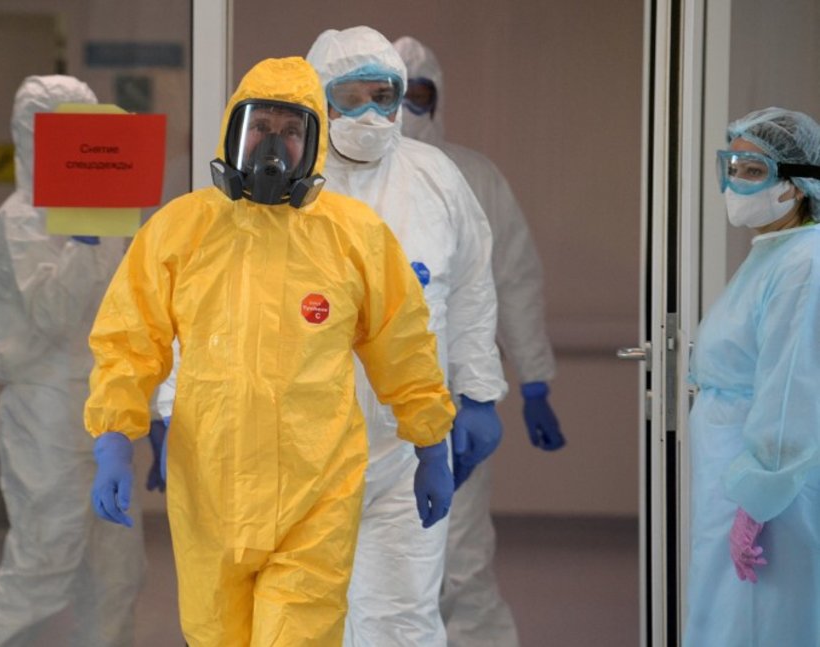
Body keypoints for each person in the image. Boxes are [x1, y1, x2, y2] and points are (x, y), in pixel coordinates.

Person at [84, 56, 458, 647]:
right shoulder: (180, 229)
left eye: (291, 130)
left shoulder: (353, 236)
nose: (273, 146)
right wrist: (113, 438)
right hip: (209, 491)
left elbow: (403, 342)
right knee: (211, 637)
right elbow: (130, 340)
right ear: (235, 129)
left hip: (316, 493)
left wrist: (431, 440)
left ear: (313, 144)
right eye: (261, 127)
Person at [306, 27, 507, 647]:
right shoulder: (290, 187)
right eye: (351, 96)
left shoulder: (435, 177)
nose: (371, 113)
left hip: (411, 443)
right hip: (305, 443)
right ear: (318, 99)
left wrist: (477, 395)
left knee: (403, 618)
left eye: (384, 95)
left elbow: (472, 289)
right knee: (312, 614)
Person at [0, 75, 151, 647]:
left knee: (115, 578)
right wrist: (85, 241)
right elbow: (54, 316)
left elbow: (132, 311)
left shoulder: (111, 218)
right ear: (30, 135)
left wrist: (155, 408)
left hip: (106, 416)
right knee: (39, 573)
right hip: (45, 416)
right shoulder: (17, 221)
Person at [393, 35, 564, 646]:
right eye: (396, 93)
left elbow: (513, 279)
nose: (407, 107)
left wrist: (534, 381)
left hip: (452, 400)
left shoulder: (473, 176)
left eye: (421, 95)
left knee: (459, 558)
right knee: (372, 565)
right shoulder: (348, 181)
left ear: (439, 100)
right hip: (364, 408)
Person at [684, 106, 820, 646]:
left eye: (753, 170)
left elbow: (791, 391)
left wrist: (759, 500)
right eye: (732, 166)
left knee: (758, 623)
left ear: (798, 185)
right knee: (727, 618)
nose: (736, 182)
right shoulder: (775, 252)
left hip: (768, 494)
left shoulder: (804, 265)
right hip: (736, 479)